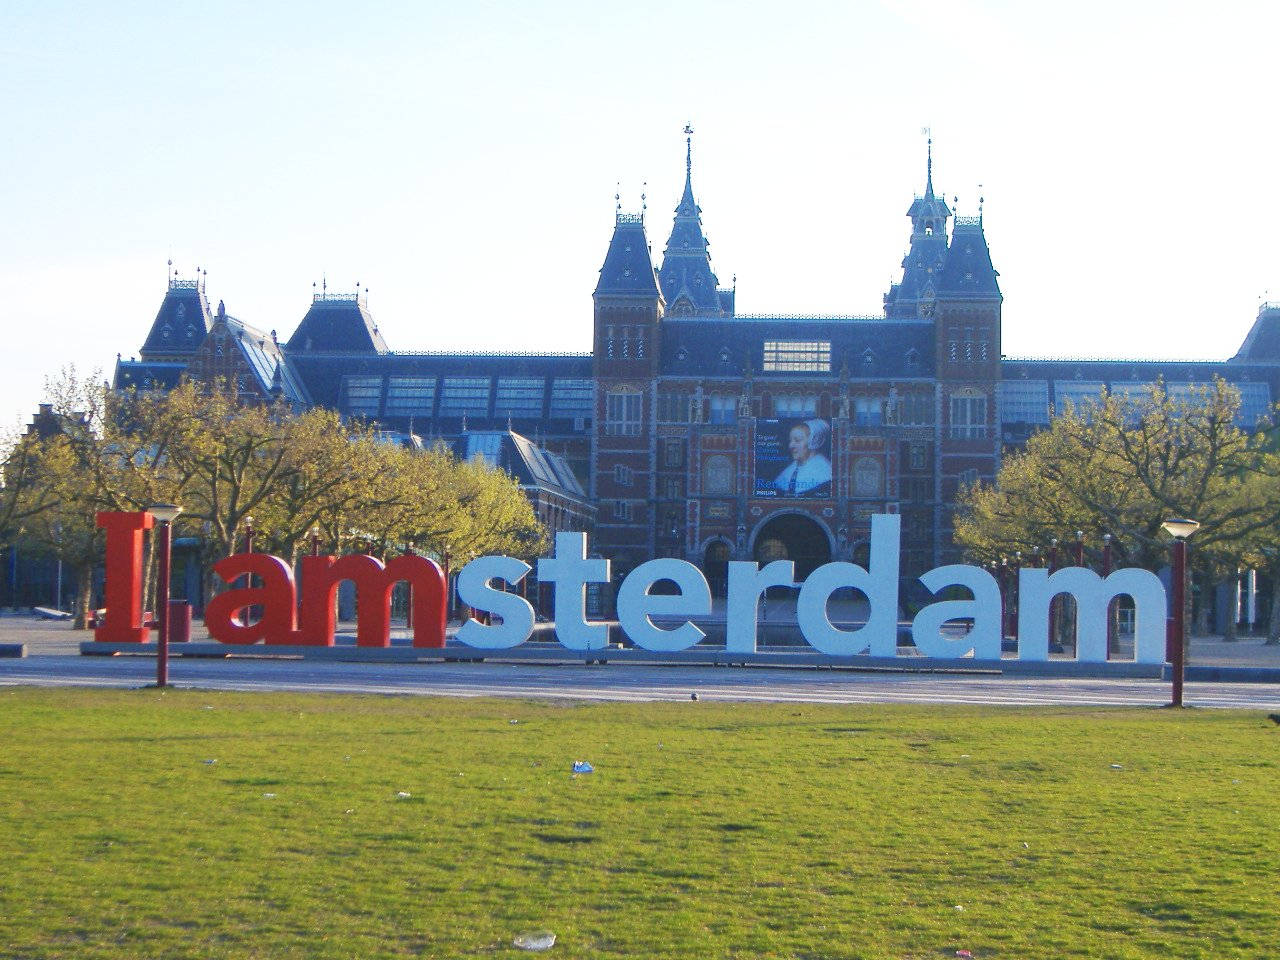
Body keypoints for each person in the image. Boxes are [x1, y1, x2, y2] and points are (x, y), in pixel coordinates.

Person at [773, 419, 832, 496]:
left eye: (797, 440)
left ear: (813, 442)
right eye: (790, 441)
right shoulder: (790, 469)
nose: (791, 446)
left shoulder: (825, 472)